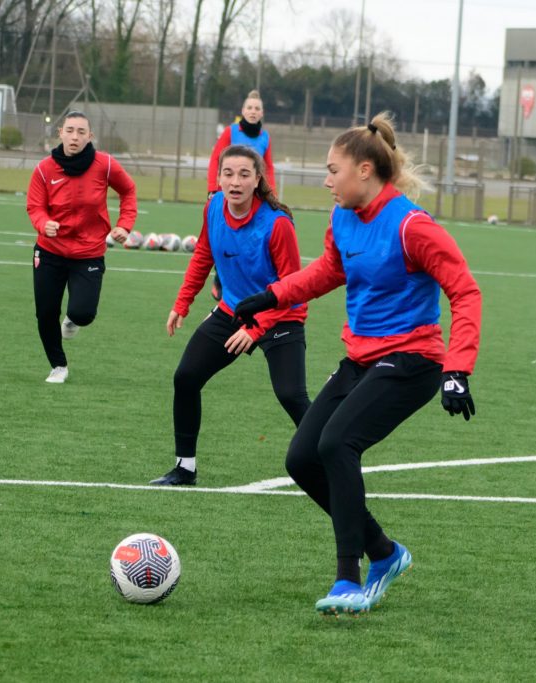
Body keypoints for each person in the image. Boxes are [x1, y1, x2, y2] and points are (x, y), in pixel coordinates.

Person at [233, 112, 482, 616]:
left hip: (412, 361)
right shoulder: (343, 217)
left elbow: (465, 291)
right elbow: (329, 270)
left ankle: (349, 578)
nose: (326, 181)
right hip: (361, 360)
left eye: (332, 170)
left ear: (365, 170)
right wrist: (271, 296)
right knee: (301, 459)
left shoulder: (413, 225)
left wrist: (457, 370)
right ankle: (386, 553)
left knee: (336, 443)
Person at [150, 145, 310, 486]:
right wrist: (182, 303)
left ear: (258, 180)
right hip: (233, 310)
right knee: (186, 377)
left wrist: (256, 329)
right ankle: (185, 468)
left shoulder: (277, 225)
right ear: (219, 178)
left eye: (243, 174)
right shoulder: (213, 208)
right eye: (228, 173)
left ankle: (333, 459)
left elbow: (293, 288)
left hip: (281, 316)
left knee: (291, 396)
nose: (234, 181)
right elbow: (203, 254)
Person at [26, 110, 137, 383]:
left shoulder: (105, 165)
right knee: (46, 312)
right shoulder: (44, 169)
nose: (75, 136)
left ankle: (73, 320)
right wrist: (43, 223)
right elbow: (35, 206)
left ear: (90, 136)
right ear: (60, 132)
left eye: (81, 132)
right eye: (70, 130)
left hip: (88, 252)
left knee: (83, 313)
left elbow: (128, 191)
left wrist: (124, 224)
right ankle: (58, 366)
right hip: (49, 251)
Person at [206, 90, 275, 302]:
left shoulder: (265, 137)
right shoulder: (231, 131)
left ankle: (247, 281)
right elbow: (216, 158)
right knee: (223, 235)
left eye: (257, 108)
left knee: (251, 237)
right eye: (249, 108)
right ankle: (220, 279)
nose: (253, 112)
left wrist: (271, 194)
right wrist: (213, 188)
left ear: (262, 113)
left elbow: (268, 167)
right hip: (231, 193)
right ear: (242, 111)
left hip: (255, 194)